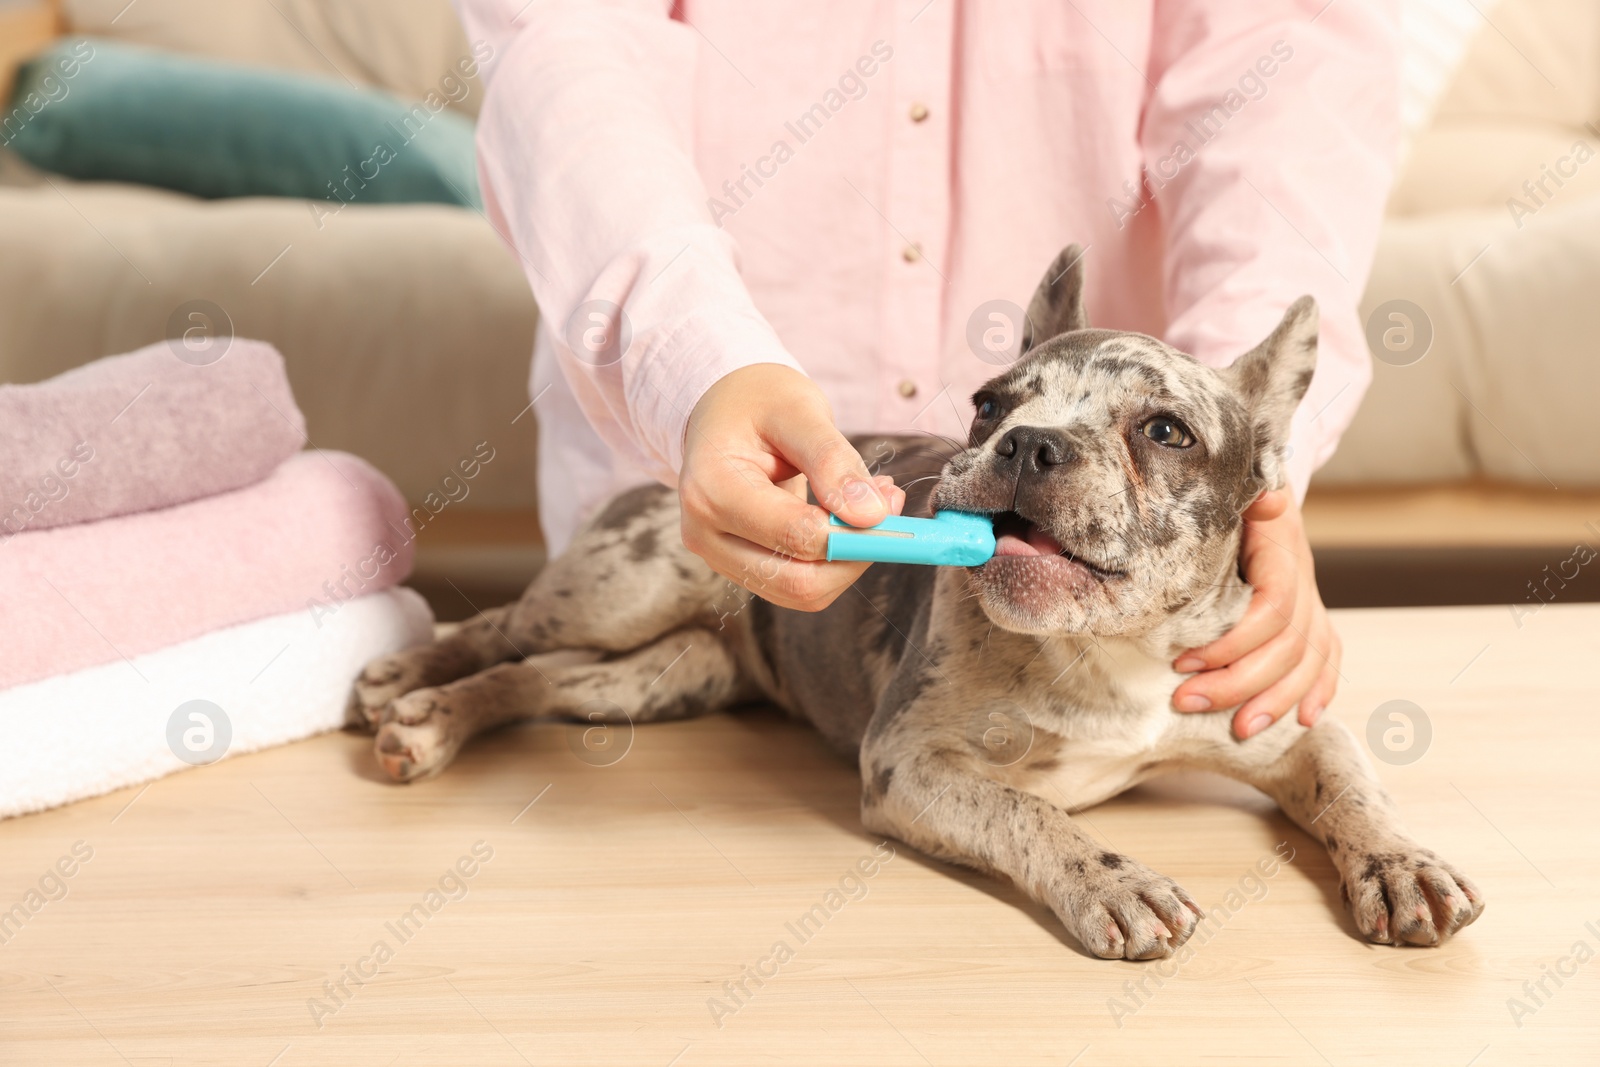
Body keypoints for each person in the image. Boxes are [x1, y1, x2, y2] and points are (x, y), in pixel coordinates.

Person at [451, 0, 1400, 739]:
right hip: (686, 526)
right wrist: (694, 360)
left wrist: (1245, 456)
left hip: (1110, 613)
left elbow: (1288, 63)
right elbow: (564, 50)